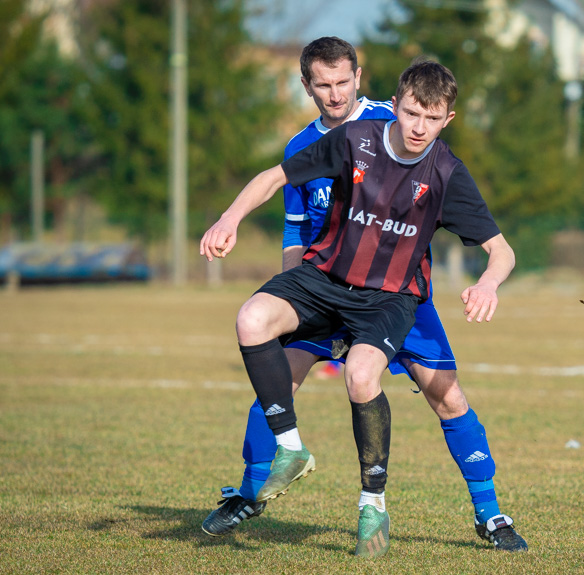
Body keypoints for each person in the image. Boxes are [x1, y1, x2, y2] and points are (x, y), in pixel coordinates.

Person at [201, 37, 527, 554]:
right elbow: (294, 231)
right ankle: (252, 490)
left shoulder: (404, 138)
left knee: (446, 393)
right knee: (277, 374)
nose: (334, 94)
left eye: (342, 82)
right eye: (322, 85)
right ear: (306, 86)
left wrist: (487, 282)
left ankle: (489, 513)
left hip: (396, 294)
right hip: (328, 279)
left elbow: (498, 248)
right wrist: (298, 299)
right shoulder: (325, 144)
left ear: (362, 78)